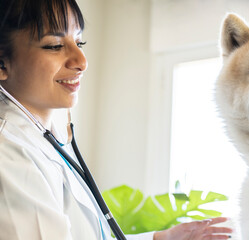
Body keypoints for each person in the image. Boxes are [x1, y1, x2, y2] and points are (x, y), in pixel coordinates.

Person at [0, 0, 233, 239]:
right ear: (2, 63)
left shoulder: (43, 141)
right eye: (55, 45)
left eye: (79, 42)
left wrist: (160, 239)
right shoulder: (9, 153)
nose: (81, 61)